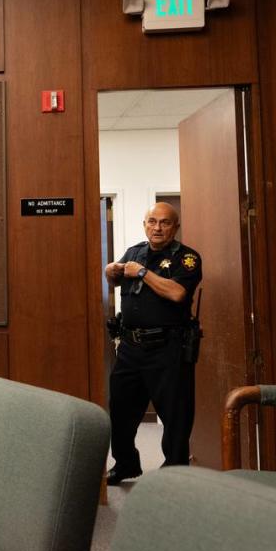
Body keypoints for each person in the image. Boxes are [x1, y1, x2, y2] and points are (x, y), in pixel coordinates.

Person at [103, 202, 202, 485]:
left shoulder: (187, 258)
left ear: (176, 227)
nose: (157, 228)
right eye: (152, 221)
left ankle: (174, 471)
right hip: (131, 348)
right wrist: (111, 271)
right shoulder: (135, 252)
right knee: (120, 410)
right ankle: (125, 463)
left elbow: (177, 294)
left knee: (175, 414)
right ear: (144, 223)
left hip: (167, 348)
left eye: (165, 223)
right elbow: (115, 280)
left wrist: (143, 273)